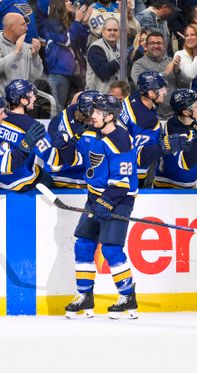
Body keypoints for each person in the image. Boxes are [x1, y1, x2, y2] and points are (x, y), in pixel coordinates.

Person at [60, 93, 139, 320]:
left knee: (111, 249)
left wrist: (106, 203)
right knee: (83, 244)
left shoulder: (120, 140)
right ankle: (85, 296)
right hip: (95, 198)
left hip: (119, 199)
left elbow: (122, 183)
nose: (91, 115)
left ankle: (127, 297)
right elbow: (78, 161)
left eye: (96, 112)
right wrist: (64, 147)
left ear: (110, 116)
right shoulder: (89, 134)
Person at [121, 71, 186, 186]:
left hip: (116, 162)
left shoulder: (135, 97)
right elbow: (141, 159)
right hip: (130, 176)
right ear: (151, 93)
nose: (165, 92)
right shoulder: (146, 120)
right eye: (161, 89)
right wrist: (163, 146)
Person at [0, 80, 53, 190]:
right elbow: (51, 157)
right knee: (49, 180)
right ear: (23, 100)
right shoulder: (32, 125)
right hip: (19, 181)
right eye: (31, 96)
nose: (35, 99)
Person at [154, 90, 197, 188]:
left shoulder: (196, 120)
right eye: (196, 105)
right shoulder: (173, 129)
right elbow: (186, 162)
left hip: (189, 183)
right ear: (186, 111)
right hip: (168, 186)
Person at [42, 0, 90, 109]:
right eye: (66, 1)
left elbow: (83, 44)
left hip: (76, 73)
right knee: (57, 108)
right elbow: (67, 40)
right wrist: (78, 21)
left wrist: (83, 24)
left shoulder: (72, 23)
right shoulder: (52, 23)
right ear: (59, 5)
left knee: (74, 108)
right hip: (59, 72)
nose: (70, 3)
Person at [0, 12, 42, 94]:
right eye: (23, 25)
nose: (27, 28)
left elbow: (36, 76)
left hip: (20, 101)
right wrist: (16, 52)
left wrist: (35, 56)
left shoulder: (24, 46)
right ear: (12, 27)